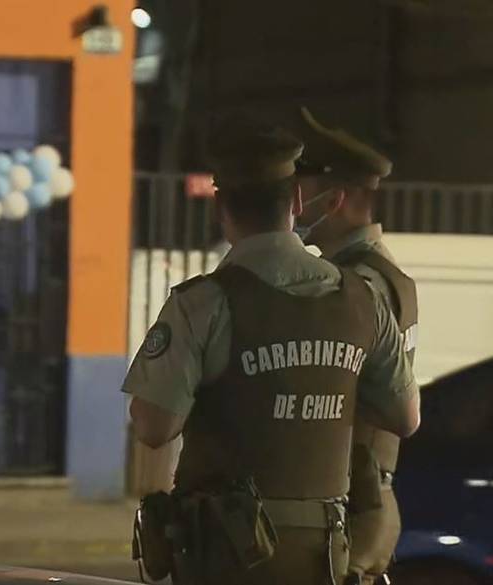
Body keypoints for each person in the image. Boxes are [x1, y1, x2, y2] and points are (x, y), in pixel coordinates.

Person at [122, 113, 420, 585]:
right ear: (298, 200)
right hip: (325, 556)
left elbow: (154, 427)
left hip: (226, 557)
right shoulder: (362, 300)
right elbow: (405, 418)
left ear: (221, 206)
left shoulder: (203, 304)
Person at [294, 107, 420, 585]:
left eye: (303, 190)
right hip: (365, 498)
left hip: (352, 506)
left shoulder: (357, 286)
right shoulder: (383, 273)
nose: (296, 203)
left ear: (335, 199)